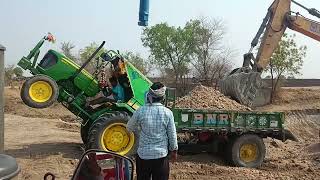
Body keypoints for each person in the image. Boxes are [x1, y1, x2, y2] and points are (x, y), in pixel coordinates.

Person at [126, 82, 178, 180]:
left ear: (149, 95)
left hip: (143, 157)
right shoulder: (168, 113)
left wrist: (139, 127)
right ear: (163, 98)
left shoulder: (140, 111)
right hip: (161, 157)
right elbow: (172, 135)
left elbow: (128, 128)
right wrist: (174, 150)